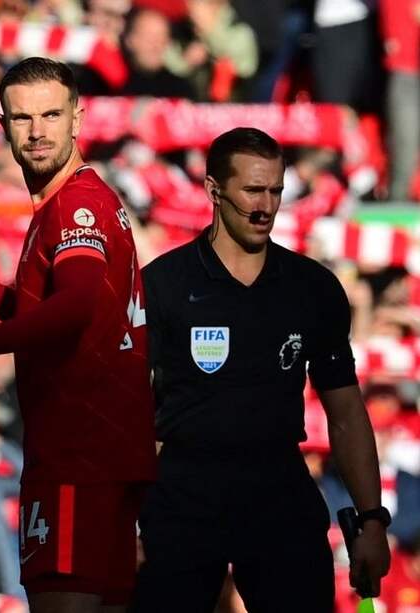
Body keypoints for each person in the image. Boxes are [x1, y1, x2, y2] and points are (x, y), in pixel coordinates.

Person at [0, 57, 157, 613]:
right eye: (23, 117)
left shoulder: (75, 205)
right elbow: (65, 316)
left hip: (79, 454)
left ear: (78, 117)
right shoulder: (72, 201)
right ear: (2, 125)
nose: (38, 130)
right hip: (101, 451)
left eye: (52, 114)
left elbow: (75, 305)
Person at [129, 127, 391, 612]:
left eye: (275, 190)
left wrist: (372, 520)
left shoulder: (313, 288)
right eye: (252, 189)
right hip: (183, 496)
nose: (265, 205)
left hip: (277, 492)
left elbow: (347, 411)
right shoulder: (163, 284)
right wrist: (124, 522)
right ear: (213, 190)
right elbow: (131, 412)